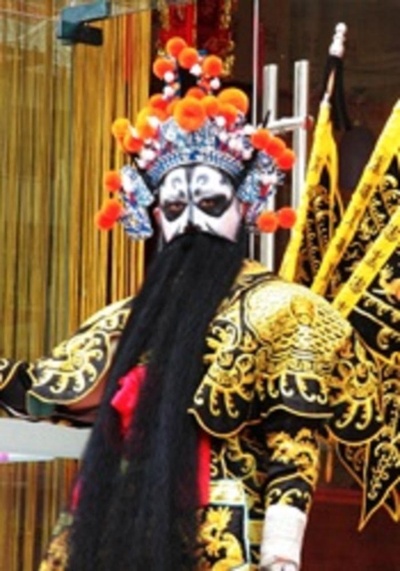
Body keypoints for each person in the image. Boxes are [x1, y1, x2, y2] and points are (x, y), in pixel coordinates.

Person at [0, 37, 395, 571]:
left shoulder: (285, 311)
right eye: (173, 207)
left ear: (245, 206)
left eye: (210, 203)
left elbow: (294, 444)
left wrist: (281, 555)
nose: (191, 221)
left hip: (224, 536)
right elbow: (47, 390)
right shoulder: (127, 319)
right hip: (115, 525)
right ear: (154, 218)